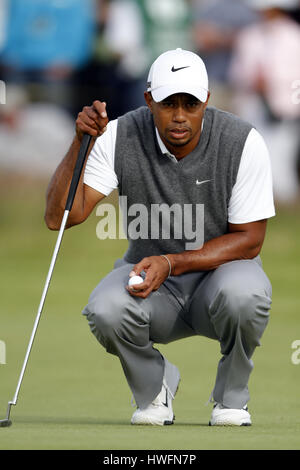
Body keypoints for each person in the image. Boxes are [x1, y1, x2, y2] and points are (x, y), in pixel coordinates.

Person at [44, 48, 275, 426]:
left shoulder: (242, 141)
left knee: (245, 294)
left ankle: (232, 399)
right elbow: (59, 218)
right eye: (169, 103)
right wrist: (79, 142)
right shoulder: (118, 134)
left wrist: (172, 263)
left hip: (220, 280)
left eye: (191, 103)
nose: (180, 115)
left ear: (207, 101)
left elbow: (250, 240)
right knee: (105, 309)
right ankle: (155, 389)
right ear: (149, 99)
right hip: (151, 288)